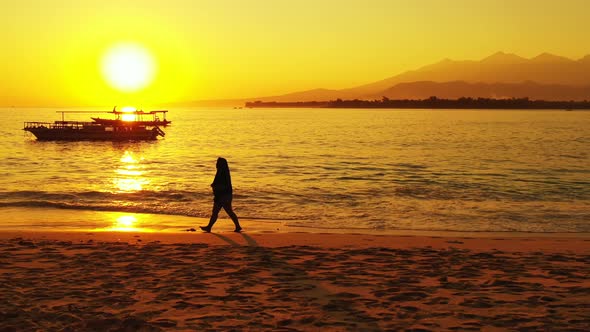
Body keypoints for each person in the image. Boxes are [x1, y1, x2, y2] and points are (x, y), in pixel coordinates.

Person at [200, 157, 242, 232]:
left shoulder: (222, 173)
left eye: (217, 163)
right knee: (226, 211)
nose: (216, 164)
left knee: (218, 212)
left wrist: (216, 186)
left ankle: (209, 227)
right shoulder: (223, 172)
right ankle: (237, 226)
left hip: (223, 196)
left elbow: (224, 185)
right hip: (223, 195)